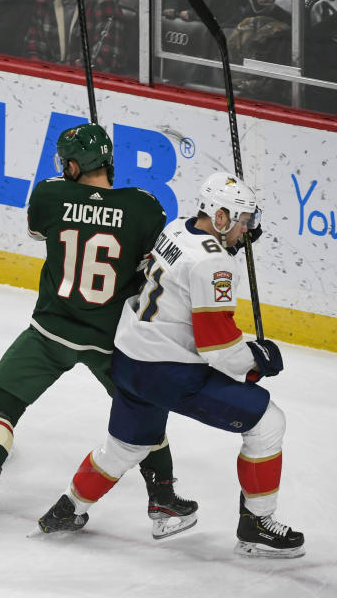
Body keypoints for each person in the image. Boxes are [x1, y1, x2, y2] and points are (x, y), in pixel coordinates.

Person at [0, 123, 197, 536]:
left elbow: (39, 230)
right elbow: (150, 267)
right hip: (113, 340)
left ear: (72, 164)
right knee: (142, 412)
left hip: (50, 331)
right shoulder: (145, 206)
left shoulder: (50, 194)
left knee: (0, 403)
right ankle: (164, 502)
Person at [36, 173, 305, 559]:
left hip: (130, 359)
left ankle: (69, 507)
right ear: (222, 216)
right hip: (169, 371)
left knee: (125, 446)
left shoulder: (178, 228)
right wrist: (254, 362)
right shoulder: (212, 262)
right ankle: (257, 526)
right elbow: (216, 345)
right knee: (268, 423)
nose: (247, 230)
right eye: (244, 220)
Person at [24, 0, 124, 74]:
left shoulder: (103, 3)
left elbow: (103, 62)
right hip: (47, 80)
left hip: (90, 86)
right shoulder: (44, 0)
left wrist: (56, 71)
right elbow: (33, 48)